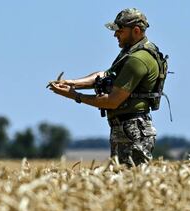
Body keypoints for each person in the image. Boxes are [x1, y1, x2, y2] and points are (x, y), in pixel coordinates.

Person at [48, 8, 166, 167]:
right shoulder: (131, 52)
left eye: (120, 31)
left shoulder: (138, 59)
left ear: (136, 30)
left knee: (130, 183)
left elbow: (112, 101)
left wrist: (75, 96)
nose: (115, 34)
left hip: (132, 130)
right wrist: (72, 83)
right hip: (127, 128)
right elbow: (105, 76)